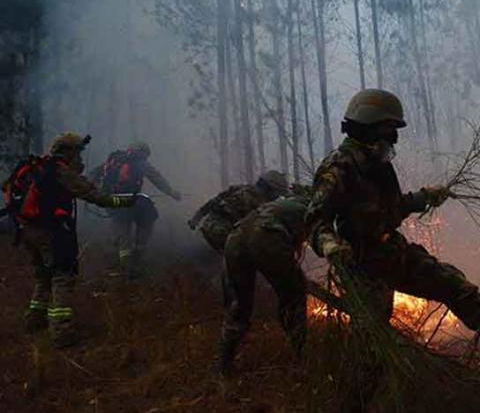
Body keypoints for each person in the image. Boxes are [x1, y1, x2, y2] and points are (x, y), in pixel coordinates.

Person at [305, 89, 480, 382]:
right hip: (362, 266)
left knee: (458, 287)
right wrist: (330, 245)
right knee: (372, 351)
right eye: (388, 131)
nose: (393, 139)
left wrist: (424, 197)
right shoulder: (338, 168)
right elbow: (314, 220)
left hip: (392, 253)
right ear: (369, 126)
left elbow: (392, 209)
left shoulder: (378, 166)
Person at [3, 132, 135, 348]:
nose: (80, 158)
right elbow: (96, 197)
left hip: (27, 230)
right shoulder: (61, 172)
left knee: (43, 275)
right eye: (78, 153)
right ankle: (61, 331)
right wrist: (127, 202)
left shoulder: (41, 168)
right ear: (68, 153)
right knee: (62, 276)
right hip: (49, 232)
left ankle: (34, 319)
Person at [216, 185, 312, 375]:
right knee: (294, 294)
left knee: (239, 304)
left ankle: (224, 362)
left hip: (235, 237)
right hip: (265, 236)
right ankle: (301, 357)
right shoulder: (313, 207)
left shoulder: (281, 205)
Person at [90, 142, 181, 277]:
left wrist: (95, 195)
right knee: (148, 220)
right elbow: (157, 178)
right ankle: (138, 260)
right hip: (134, 202)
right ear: (142, 152)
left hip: (113, 203)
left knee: (123, 238)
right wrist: (172, 192)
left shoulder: (112, 161)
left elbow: (91, 176)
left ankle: (125, 268)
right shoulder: (140, 162)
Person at [188, 170, 289, 252]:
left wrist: (195, 219)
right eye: (277, 194)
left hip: (206, 228)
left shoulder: (239, 188)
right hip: (223, 241)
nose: (276, 198)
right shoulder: (263, 207)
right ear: (270, 190)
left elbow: (212, 203)